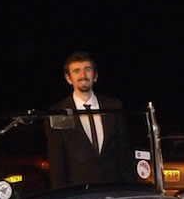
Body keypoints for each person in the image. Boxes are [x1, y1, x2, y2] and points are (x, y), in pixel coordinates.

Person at [46, 51, 130, 188]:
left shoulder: (114, 106)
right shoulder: (58, 113)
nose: (83, 76)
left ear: (95, 76)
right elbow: (57, 164)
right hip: (79, 193)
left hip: (113, 190)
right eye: (76, 71)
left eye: (87, 69)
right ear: (68, 78)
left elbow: (124, 152)